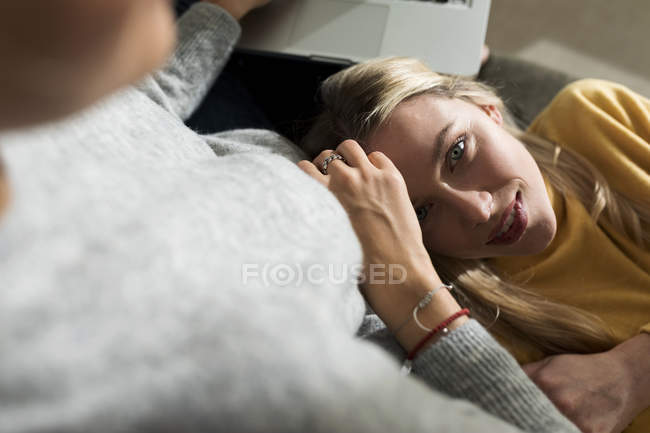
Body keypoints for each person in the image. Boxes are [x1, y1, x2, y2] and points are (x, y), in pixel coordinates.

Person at [0, 1, 581, 432]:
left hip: (214, 120)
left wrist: (221, 12)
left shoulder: (30, 113)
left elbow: (130, 109)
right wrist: (407, 278)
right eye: (419, 211)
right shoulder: (282, 369)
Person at [301, 56, 650, 433]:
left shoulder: (597, 119)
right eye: (420, 212)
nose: (478, 210)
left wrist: (632, 372)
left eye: (457, 152)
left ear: (488, 109)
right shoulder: (481, 342)